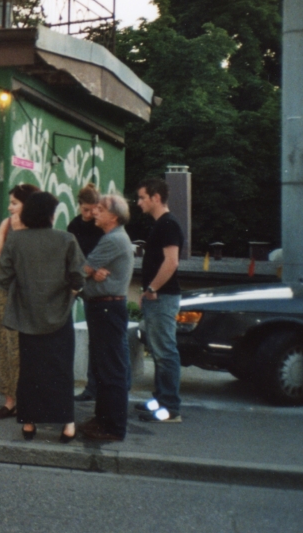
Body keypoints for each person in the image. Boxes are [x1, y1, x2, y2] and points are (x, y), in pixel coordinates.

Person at [0, 191, 86, 442]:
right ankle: (67, 424)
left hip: (27, 315)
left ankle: (29, 423)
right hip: (59, 314)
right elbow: (78, 276)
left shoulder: (16, 241)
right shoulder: (66, 239)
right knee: (60, 369)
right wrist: (70, 291)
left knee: (30, 371)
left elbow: (4, 278)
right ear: (50, 214)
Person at [78, 194, 135, 442]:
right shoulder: (112, 238)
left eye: (100, 209)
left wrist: (89, 275)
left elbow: (82, 270)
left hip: (106, 310)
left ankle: (112, 426)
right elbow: (88, 271)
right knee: (104, 367)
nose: (94, 213)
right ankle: (102, 420)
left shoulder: (112, 240)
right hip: (104, 309)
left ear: (114, 216)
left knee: (110, 369)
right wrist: (91, 275)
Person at [0, 182, 39, 421]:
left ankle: (27, 399)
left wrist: (11, 258)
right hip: (6, 292)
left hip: (29, 295)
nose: (9, 208)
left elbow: (34, 260)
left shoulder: (39, 227)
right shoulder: (6, 225)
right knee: (6, 345)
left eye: (14, 203)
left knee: (25, 348)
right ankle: (9, 401)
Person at [135, 177, 184, 423]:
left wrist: (152, 287)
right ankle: (159, 401)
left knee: (165, 351)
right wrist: (148, 291)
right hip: (157, 295)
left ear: (156, 198)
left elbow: (171, 261)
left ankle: (170, 409)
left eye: (142, 197)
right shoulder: (161, 224)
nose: (138, 202)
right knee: (158, 350)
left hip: (164, 296)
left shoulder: (168, 224)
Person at [68, 183, 104, 402]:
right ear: (79, 206)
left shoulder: (101, 225)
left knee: (97, 336)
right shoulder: (74, 226)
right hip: (78, 278)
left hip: (92, 282)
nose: (90, 214)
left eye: (94, 209)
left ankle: (93, 387)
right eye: (86, 210)